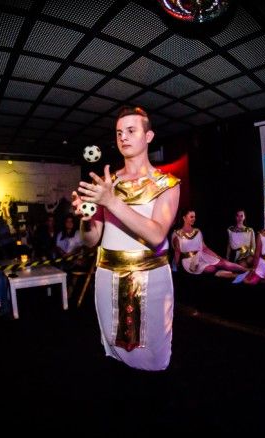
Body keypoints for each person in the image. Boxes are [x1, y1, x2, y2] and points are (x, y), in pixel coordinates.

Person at [72, 106, 179, 371]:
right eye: (119, 132)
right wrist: (85, 217)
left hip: (151, 277)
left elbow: (156, 234)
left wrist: (111, 202)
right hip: (107, 274)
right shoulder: (106, 183)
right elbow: (91, 240)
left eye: (131, 130)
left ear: (148, 136)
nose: (123, 137)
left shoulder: (167, 184)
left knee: (153, 352)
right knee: (112, 346)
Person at [172, 210, 246, 275]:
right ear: (184, 218)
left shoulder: (197, 231)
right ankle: (236, 275)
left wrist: (218, 257)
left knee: (223, 263)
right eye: (191, 217)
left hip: (202, 256)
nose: (194, 219)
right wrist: (176, 267)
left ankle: (247, 271)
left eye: (194, 217)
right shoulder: (178, 234)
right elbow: (177, 251)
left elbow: (204, 248)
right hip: (189, 262)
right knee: (211, 269)